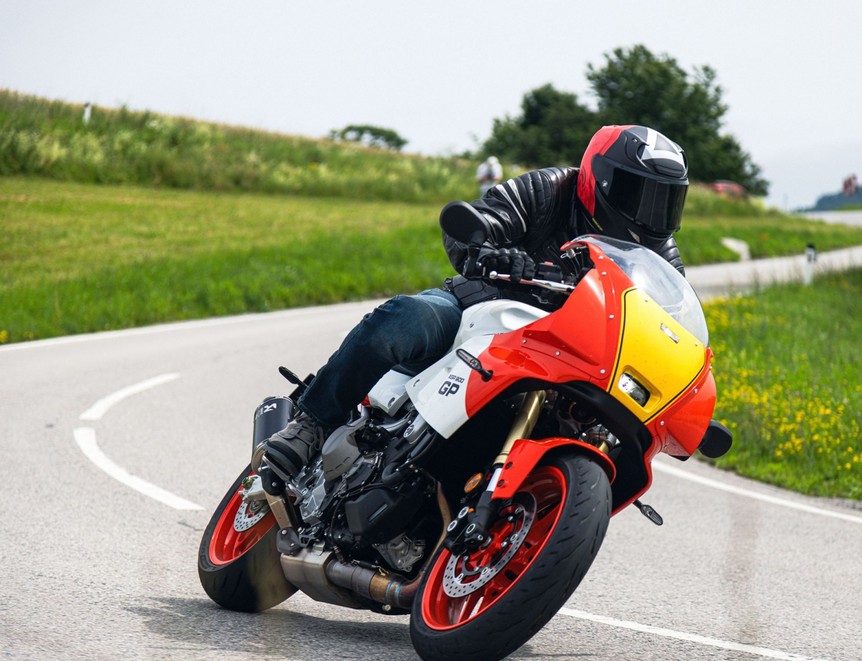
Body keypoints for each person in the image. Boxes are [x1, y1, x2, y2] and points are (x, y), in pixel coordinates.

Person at [261, 125, 690, 481]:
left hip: (566, 352)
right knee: (405, 318)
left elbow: (668, 325)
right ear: (601, 177)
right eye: (639, 194)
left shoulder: (661, 258)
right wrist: (488, 251)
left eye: (664, 201)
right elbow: (482, 219)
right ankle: (311, 425)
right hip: (481, 308)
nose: (650, 214)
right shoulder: (552, 189)